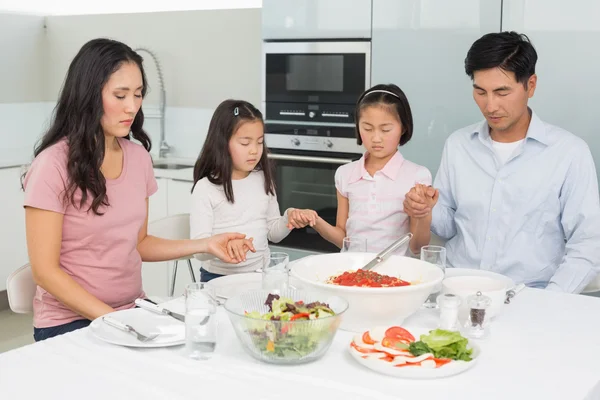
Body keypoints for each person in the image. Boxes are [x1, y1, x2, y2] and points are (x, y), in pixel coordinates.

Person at [23, 38, 253, 341]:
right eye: (120, 95)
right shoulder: (52, 165)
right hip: (70, 323)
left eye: (138, 94)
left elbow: (139, 243)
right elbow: (45, 272)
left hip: (131, 310)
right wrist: (116, 321)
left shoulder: (137, 157)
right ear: (87, 95)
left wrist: (206, 244)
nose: (132, 106)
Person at [404, 32, 600, 293]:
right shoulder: (458, 145)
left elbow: (588, 243)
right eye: (480, 91)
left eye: (502, 91)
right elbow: (449, 225)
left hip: (528, 296)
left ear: (530, 85)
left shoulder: (569, 153)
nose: (490, 105)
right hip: (455, 289)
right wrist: (426, 209)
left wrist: (550, 300)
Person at [189, 99, 314, 282]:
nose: (255, 151)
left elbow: (273, 233)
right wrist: (226, 245)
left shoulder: (263, 179)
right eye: (245, 143)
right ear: (222, 143)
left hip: (260, 276)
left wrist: (289, 218)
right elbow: (199, 251)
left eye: (259, 142)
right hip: (218, 278)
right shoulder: (206, 188)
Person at [311, 84, 435, 255]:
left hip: (395, 275)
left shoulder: (416, 176)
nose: (376, 138)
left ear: (403, 128)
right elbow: (343, 238)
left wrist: (424, 213)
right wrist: (315, 221)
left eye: (385, 129)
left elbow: (417, 247)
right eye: (367, 128)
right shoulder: (345, 174)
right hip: (352, 272)